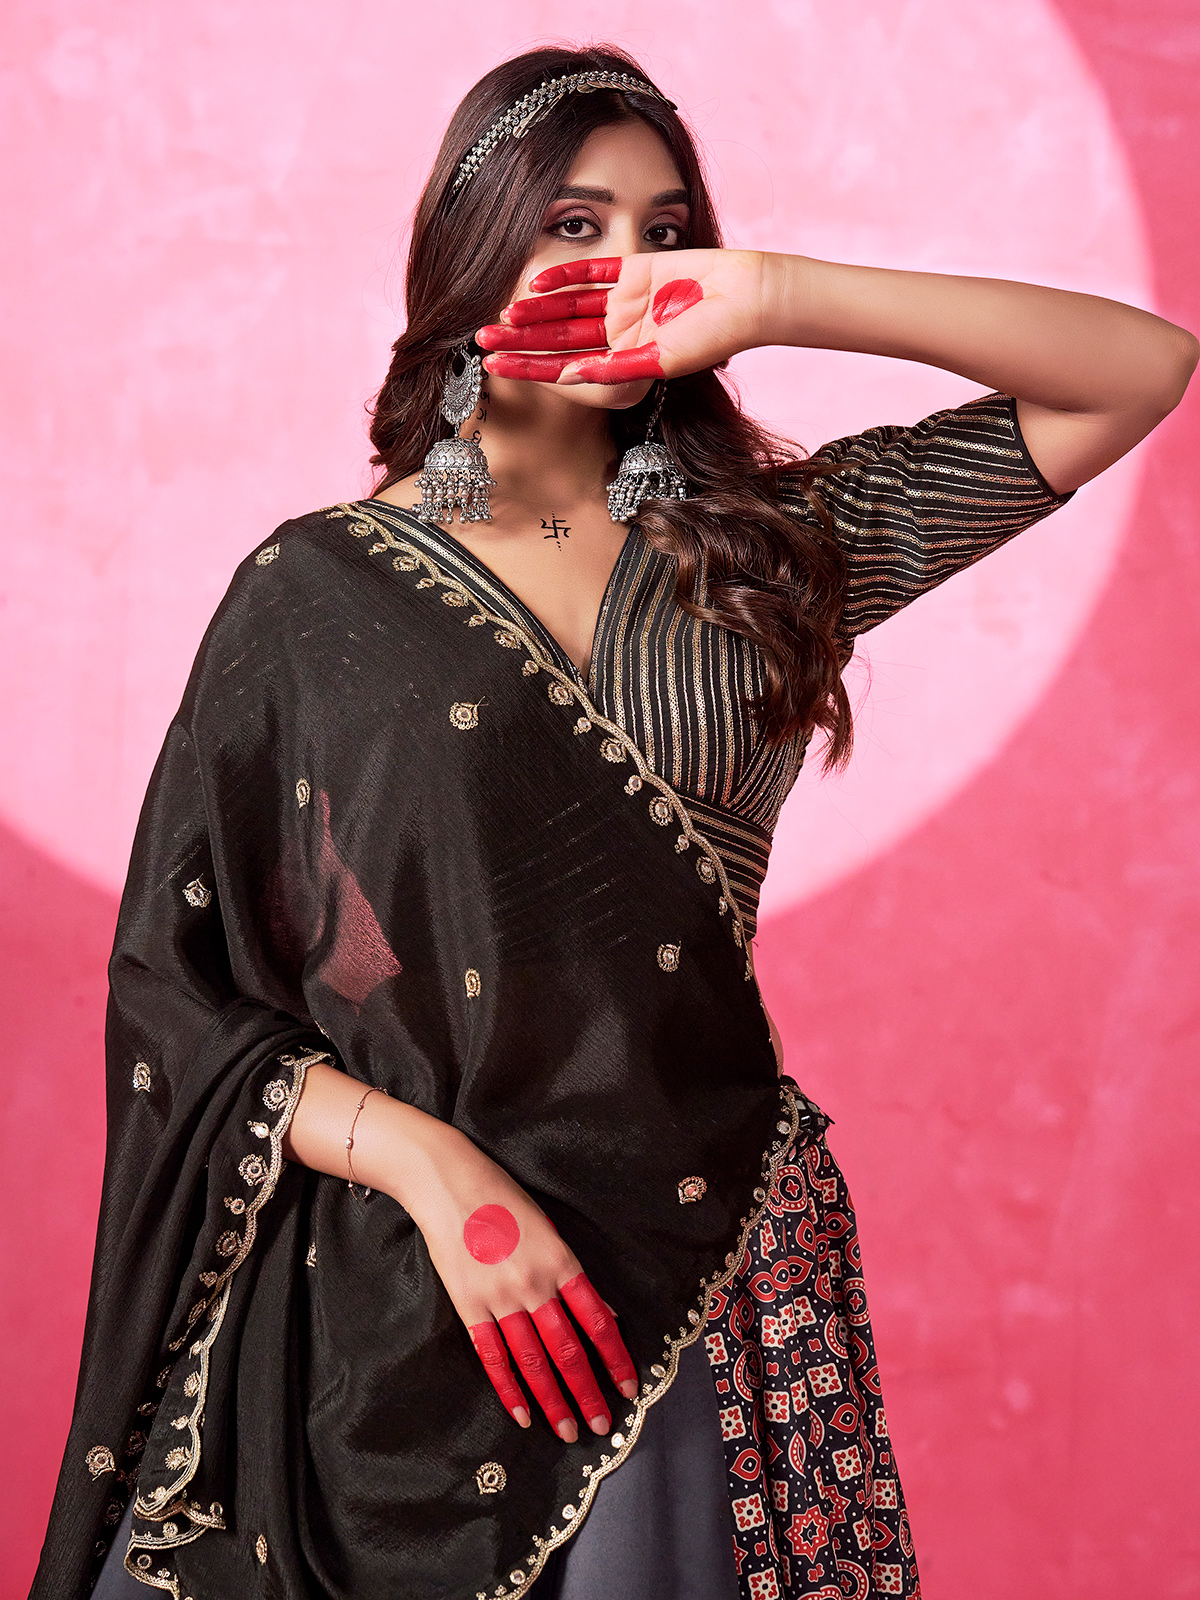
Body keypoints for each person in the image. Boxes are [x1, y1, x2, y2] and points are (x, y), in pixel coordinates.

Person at [32, 41, 1194, 1600]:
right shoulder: (314, 598)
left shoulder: (770, 552)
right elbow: (178, 1000)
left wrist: (770, 292)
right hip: (380, 1300)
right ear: (471, 248)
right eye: (573, 224)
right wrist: (431, 1169)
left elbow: (1137, 367)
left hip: (678, 1264)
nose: (629, 268)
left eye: (667, 232)